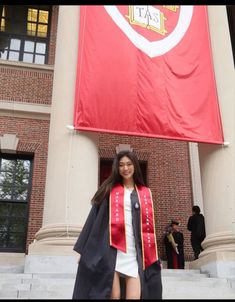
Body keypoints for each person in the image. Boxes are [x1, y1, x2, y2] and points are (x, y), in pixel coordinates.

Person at [72, 150, 162, 300]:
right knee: (114, 295)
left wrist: (153, 256)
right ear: (117, 168)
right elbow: (93, 220)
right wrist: (84, 251)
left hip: (134, 252)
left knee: (135, 295)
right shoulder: (110, 191)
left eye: (128, 164)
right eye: (121, 165)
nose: (125, 168)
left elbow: (148, 228)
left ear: (134, 166)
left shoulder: (144, 194)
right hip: (111, 250)